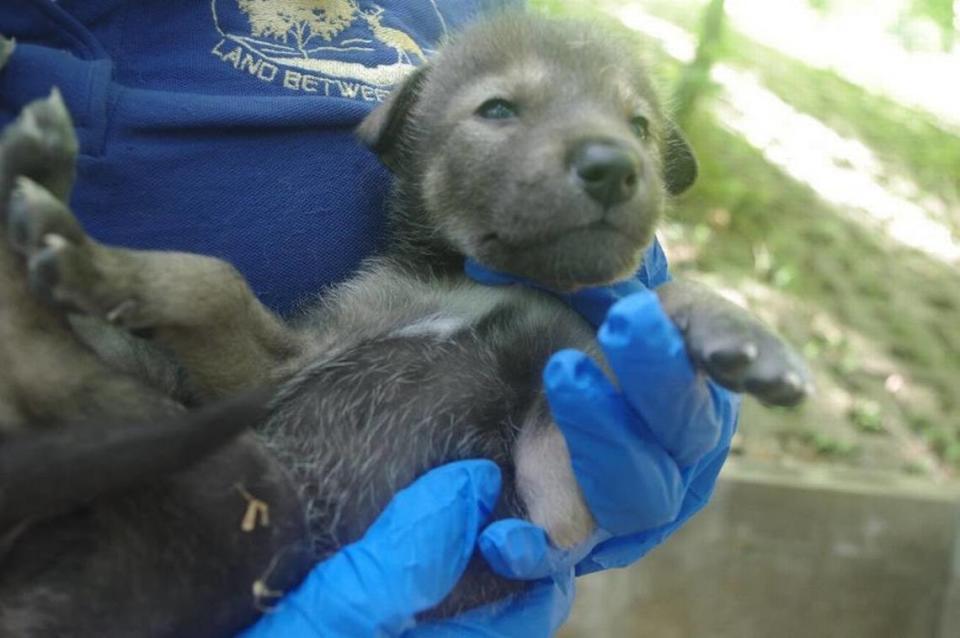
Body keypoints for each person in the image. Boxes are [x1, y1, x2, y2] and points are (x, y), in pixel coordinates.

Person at [0, 1, 740, 635]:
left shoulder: (492, 23)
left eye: (635, 126)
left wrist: (674, 364)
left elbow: (573, 481)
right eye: (501, 108)